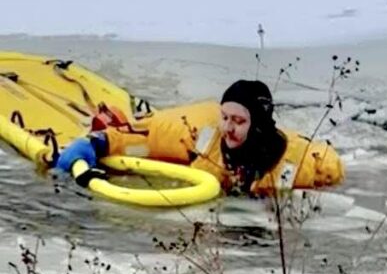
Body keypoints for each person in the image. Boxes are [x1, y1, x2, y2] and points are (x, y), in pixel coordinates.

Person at [55, 80, 345, 194]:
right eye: (225, 117)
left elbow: (331, 167)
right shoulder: (197, 130)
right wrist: (97, 142)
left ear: (257, 125)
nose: (228, 127)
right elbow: (145, 137)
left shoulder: (297, 162)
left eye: (239, 121)